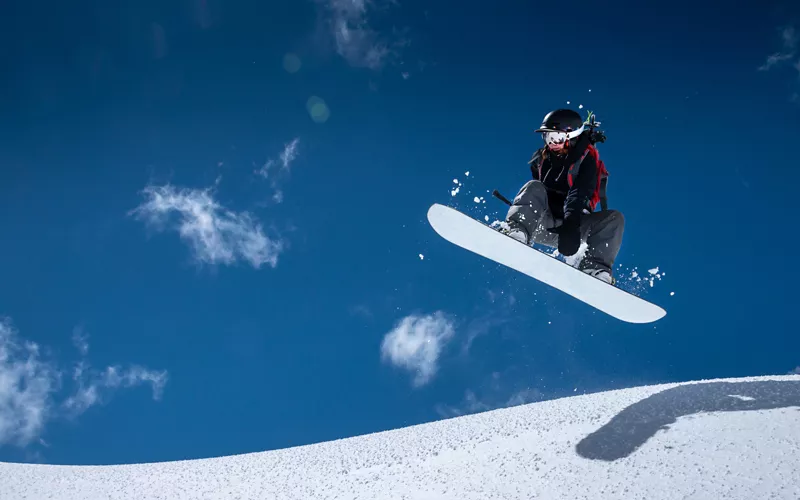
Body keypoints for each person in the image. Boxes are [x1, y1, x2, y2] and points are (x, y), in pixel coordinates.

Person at [500, 108, 625, 285]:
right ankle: (517, 231)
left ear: (571, 136)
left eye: (557, 138)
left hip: (573, 231)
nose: (552, 143)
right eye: (548, 138)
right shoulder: (542, 159)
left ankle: (595, 268)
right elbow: (536, 195)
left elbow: (579, 192)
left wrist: (571, 225)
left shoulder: (587, 160)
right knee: (534, 186)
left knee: (615, 218)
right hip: (543, 225)